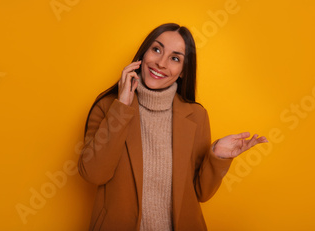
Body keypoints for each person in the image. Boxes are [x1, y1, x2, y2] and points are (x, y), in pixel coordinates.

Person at [77, 23, 268, 231]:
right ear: (143, 54)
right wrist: (122, 107)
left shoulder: (196, 116)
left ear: (184, 71)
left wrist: (217, 157)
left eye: (175, 58)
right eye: (157, 50)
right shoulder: (108, 107)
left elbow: (200, 193)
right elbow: (94, 173)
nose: (161, 63)